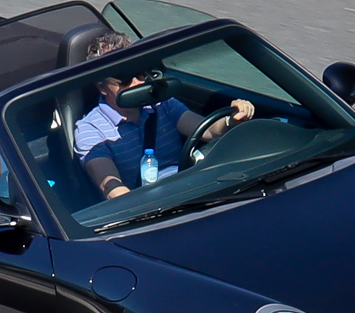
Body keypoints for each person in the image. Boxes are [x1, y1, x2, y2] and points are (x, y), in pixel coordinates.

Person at [73, 32, 253, 201]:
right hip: (149, 206)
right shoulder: (90, 130)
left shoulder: (161, 103)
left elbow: (208, 131)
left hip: (193, 191)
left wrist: (232, 119)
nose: (137, 83)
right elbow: (111, 188)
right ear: (101, 86)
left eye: (139, 73)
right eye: (125, 79)